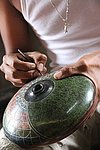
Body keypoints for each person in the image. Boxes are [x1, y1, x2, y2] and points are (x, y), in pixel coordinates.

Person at [0, 0, 100, 150]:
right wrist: (17, 66)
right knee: (10, 146)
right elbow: (17, 53)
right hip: (63, 87)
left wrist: (93, 65)